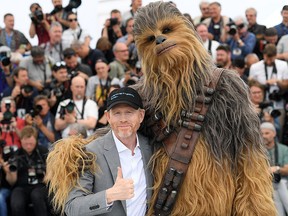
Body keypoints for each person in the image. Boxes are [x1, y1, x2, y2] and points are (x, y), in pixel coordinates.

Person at [133, 2, 276, 215]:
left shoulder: (225, 84)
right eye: (150, 39)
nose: (160, 39)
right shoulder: (141, 97)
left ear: (188, 29)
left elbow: (250, 159)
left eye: (167, 30)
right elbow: (114, 144)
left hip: (220, 204)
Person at [64, 87, 153, 216]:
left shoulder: (151, 148)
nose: (123, 119)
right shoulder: (90, 153)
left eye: (129, 112)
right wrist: (109, 195)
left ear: (141, 116)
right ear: (108, 116)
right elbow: (72, 207)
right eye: (117, 113)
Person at [7, 126, 49, 216]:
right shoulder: (16, 154)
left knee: (37, 196)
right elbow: (11, 182)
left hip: (40, 185)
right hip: (22, 186)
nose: (28, 146)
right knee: (16, 203)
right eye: (26, 144)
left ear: (36, 141)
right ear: (21, 141)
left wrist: (47, 176)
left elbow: (51, 174)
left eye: (31, 143)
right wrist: (10, 172)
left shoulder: (43, 152)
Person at [260, 122, 288, 216]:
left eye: (267, 133)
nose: (263, 136)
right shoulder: (257, 151)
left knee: (279, 185)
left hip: (281, 183)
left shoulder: (284, 149)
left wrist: (276, 168)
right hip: (264, 184)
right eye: (261, 134)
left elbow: (287, 170)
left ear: (274, 133)